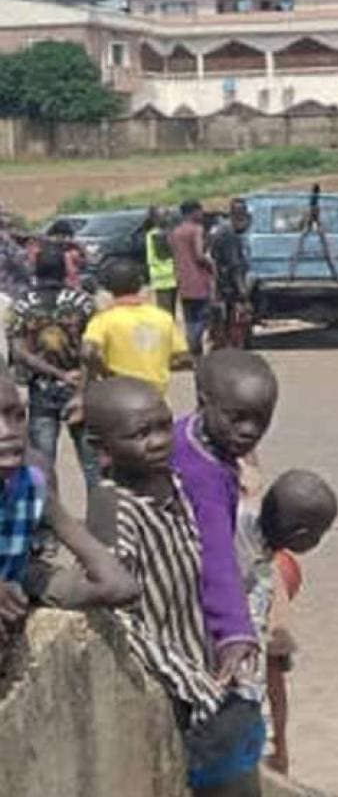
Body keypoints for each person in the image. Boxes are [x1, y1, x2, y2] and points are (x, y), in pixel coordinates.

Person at [85, 376, 265, 794]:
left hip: (202, 669)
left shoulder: (177, 486)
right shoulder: (115, 510)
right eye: (140, 434)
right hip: (169, 687)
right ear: (102, 450)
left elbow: (211, 566)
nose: (157, 441)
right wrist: (191, 684)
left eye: (163, 427)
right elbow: (121, 620)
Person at [0, 376, 137, 637]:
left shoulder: (32, 485)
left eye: (17, 416)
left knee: (118, 588)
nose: (8, 431)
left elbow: (118, 584)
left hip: (18, 574)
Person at [175, 349, 279, 691]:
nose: (250, 431)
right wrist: (234, 630)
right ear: (203, 402)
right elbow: (215, 554)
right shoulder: (200, 471)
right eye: (237, 418)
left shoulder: (194, 435)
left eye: (261, 420)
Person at [240, 469, 337, 775]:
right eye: (319, 533)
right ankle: (274, 760)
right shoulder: (249, 566)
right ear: (300, 535)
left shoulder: (243, 525)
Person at [11, 245, 99, 485]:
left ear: (36, 270)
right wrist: (78, 379)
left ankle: (50, 520)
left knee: (43, 462)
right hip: (81, 389)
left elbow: (19, 352)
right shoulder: (84, 302)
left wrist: (55, 373)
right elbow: (92, 350)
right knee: (92, 463)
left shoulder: (23, 304)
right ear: (64, 270)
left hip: (41, 389)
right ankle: (98, 518)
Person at [83, 257, 191, 397]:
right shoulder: (163, 317)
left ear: (108, 288)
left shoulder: (103, 320)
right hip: (156, 397)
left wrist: (104, 371)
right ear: (140, 284)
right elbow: (182, 357)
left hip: (121, 396)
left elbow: (87, 352)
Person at [169, 200, 217, 355]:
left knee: (189, 319)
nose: (202, 214)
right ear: (193, 212)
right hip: (199, 279)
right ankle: (192, 345)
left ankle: (195, 351)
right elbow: (199, 255)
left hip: (183, 280)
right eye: (200, 211)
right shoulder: (196, 230)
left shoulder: (175, 232)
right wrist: (212, 264)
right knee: (204, 316)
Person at [206, 201, 253, 351]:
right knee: (234, 327)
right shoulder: (229, 235)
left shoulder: (218, 230)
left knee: (222, 325)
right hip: (228, 289)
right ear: (239, 217)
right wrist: (243, 293)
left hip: (219, 286)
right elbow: (235, 267)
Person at [143, 206, 178, 319]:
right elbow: (165, 254)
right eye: (164, 216)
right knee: (166, 313)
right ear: (156, 219)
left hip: (168, 277)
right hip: (164, 278)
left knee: (169, 312)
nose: (167, 218)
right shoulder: (158, 235)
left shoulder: (153, 233)